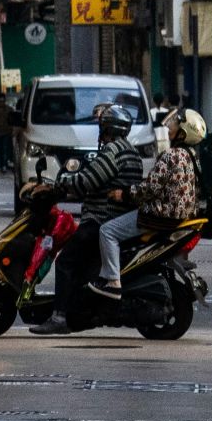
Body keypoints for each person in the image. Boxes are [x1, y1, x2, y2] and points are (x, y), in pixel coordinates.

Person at [62, 105, 146, 301]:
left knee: (65, 262)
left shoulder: (113, 151)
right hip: (121, 217)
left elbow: (86, 181)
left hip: (102, 217)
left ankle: (60, 313)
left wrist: (60, 183)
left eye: (102, 127)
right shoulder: (133, 153)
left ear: (108, 129)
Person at [0, 89, 15, 173]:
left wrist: (12, 130)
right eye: (0, 101)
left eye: (3, 101)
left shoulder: (9, 109)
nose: (1, 103)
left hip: (7, 132)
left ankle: (4, 164)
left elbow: (12, 121)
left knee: (6, 149)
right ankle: (0, 163)